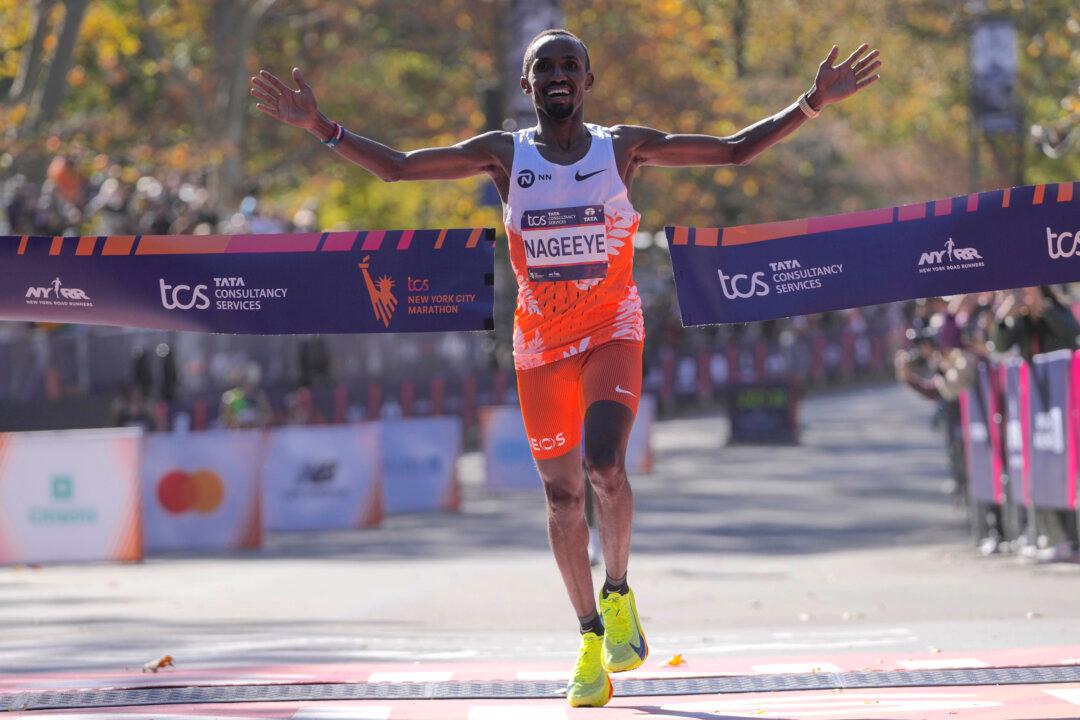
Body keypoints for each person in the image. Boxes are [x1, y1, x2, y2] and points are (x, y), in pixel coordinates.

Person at [250, 30, 880, 707]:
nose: (557, 76)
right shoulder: (503, 154)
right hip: (540, 348)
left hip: (612, 330)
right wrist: (320, 126)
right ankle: (587, 638)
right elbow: (400, 167)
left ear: (587, 81)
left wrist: (811, 103)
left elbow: (732, 150)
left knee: (606, 465)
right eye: (544, 67)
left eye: (569, 66)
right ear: (527, 87)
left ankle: (617, 594)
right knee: (561, 500)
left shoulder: (622, 147)